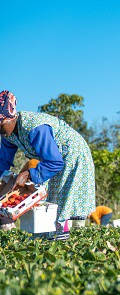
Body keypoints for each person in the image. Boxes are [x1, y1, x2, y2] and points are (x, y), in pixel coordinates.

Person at [0, 91, 95, 239]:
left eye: (0, 124)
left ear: (11, 117)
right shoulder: (8, 135)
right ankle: (45, 237)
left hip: (72, 154)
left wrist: (27, 174)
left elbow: (55, 162)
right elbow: (3, 162)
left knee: (62, 199)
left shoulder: (35, 128)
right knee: (45, 198)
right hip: (50, 160)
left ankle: (61, 237)